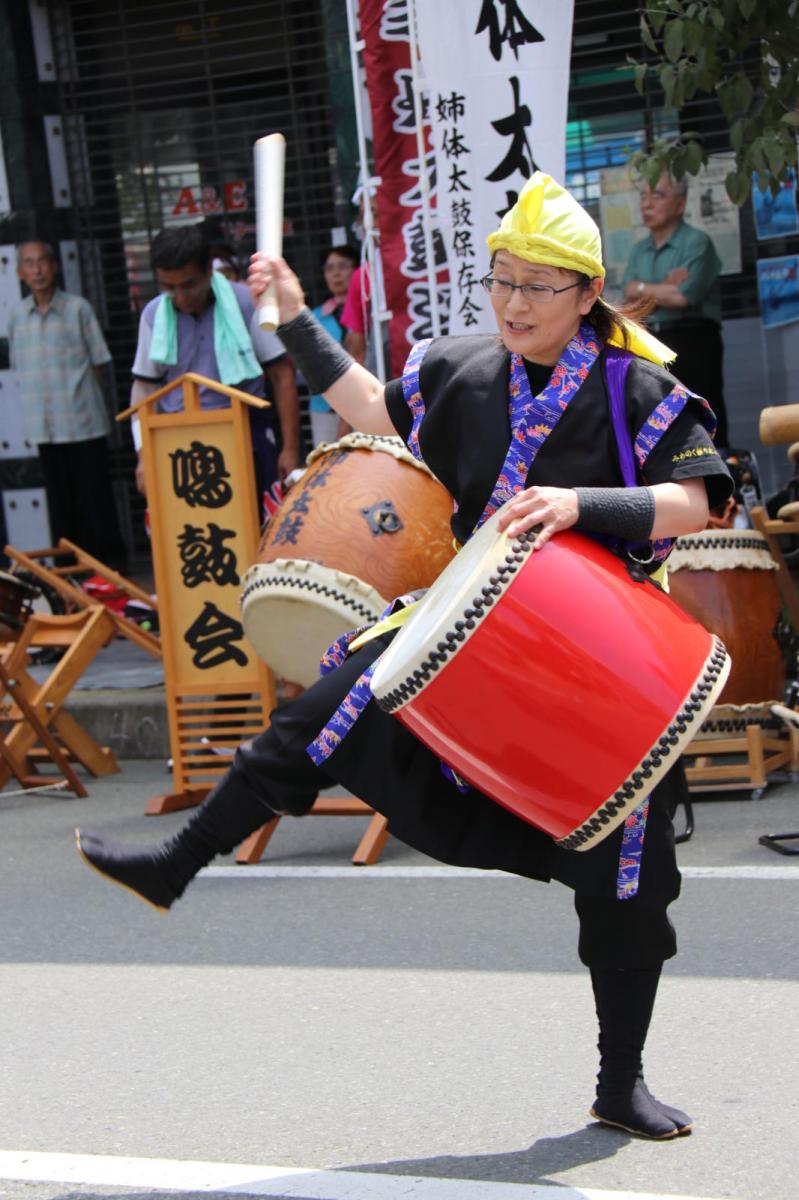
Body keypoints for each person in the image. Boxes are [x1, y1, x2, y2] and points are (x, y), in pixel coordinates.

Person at [77, 173, 732, 1141]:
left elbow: (699, 503)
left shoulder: (635, 387)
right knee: (331, 702)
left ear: (587, 295)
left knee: (626, 873)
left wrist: (575, 504)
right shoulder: (465, 369)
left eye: (538, 286)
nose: (513, 302)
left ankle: (618, 1079)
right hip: (475, 623)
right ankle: (180, 860)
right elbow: (373, 410)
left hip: (601, 646)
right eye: (501, 280)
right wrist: (296, 317)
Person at [130, 225, 300, 519]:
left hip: (245, 437)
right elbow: (144, 388)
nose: (180, 296)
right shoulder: (154, 314)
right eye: (169, 288)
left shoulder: (247, 302)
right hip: (178, 447)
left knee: (256, 528)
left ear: (209, 269)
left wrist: (290, 448)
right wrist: (144, 455)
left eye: (188, 285)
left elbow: (281, 375)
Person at [8, 241, 127, 570]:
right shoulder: (16, 316)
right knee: (60, 507)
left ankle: (110, 571)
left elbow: (100, 363)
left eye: (42, 262)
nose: (37, 270)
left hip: (82, 423)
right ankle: (70, 578)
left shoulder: (78, 309)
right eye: (29, 264)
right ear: (19, 272)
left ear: (55, 266)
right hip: (44, 428)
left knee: (96, 502)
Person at [623, 173, 729, 447]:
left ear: (680, 204)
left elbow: (683, 297)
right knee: (661, 416)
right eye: (643, 196)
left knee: (703, 413)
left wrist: (643, 288)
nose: (647, 203)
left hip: (693, 339)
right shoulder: (637, 250)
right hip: (651, 340)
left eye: (657, 195)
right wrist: (661, 288)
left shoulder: (697, 242)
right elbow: (629, 296)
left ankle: (718, 480)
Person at [307, 244, 358, 446]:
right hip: (324, 406)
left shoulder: (369, 309)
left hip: (363, 401)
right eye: (329, 268)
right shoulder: (314, 317)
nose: (336, 273)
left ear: (356, 269)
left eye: (343, 266)